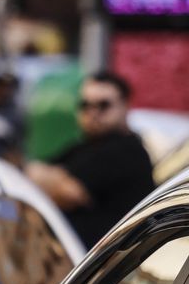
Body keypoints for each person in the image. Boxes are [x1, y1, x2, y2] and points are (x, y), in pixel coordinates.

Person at [26, 71, 154, 248]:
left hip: (101, 266)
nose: (93, 112)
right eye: (85, 105)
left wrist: (51, 181)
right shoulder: (83, 146)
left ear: (125, 106)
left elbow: (67, 193)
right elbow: (31, 173)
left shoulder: (126, 150)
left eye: (103, 105)